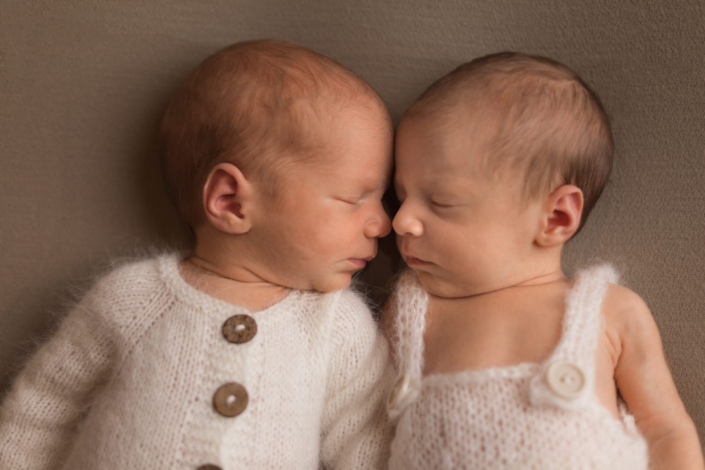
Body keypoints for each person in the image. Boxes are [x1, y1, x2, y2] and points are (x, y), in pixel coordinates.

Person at [0, 39, 395, 469]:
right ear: (230, 201)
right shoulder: (132, 299)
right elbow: (42, 407)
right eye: (354, 199)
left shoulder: (337, 328)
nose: (383, 223)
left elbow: (366, 443)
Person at [383, 52, 704, 469]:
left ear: (555, 217)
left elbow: (666, 431)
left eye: (440, 202)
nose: (402, 220)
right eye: (402, 195)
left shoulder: (610, 312)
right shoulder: (408, 314)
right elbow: (368, 434)